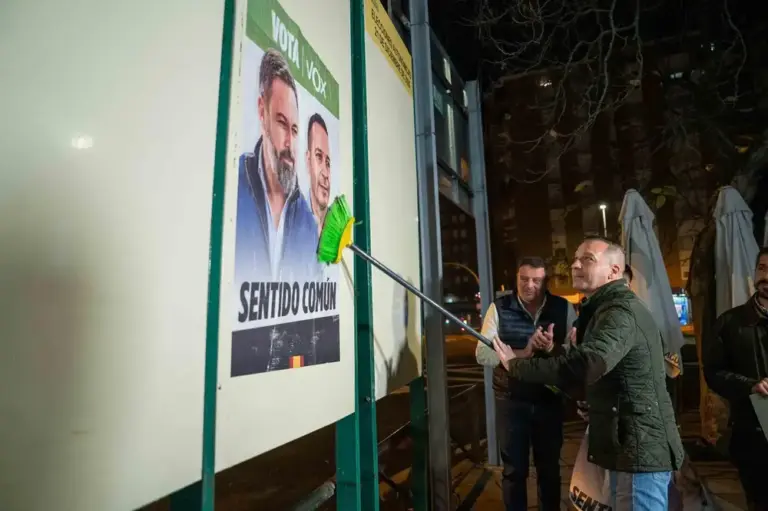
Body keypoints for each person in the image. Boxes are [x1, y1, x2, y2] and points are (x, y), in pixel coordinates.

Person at [493, 237, 684, 511]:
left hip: (638, 451)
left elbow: (589, 362)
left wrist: (517, 364)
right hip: (626, 446)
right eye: (575, 258)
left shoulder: (619, 312)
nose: (574, 265)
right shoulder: (602, 309)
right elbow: (606, 371)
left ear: (614, 271)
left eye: (587, 259)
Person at [476, 257, 577, 511]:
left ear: (545, 282)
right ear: (516, 280)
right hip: (511, 399)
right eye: (524, 279)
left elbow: (574, 355)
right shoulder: (499, 308)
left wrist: (552, 347)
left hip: (549, 398)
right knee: (513, 471)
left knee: (549, 470)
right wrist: (523, 353)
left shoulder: (564, 308)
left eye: (536, 280)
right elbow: (482, 353)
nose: (529, 285)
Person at [236, 48, 319, 282]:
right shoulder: (234, 187)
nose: (289, 144)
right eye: (282, 123)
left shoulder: (307, 224)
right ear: (262, 111)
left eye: (294, 130)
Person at [703, 247, 768, 511]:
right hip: (753, 434)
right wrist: (750, 385)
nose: (766, 275)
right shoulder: (730, 323)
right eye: (762, 268)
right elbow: (714, 372)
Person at [305, 113, 331, 235]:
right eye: (319, 157)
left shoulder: (334, 226)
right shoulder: (295, 221)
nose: (325, 173)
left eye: (328, 163)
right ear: (308, 161)